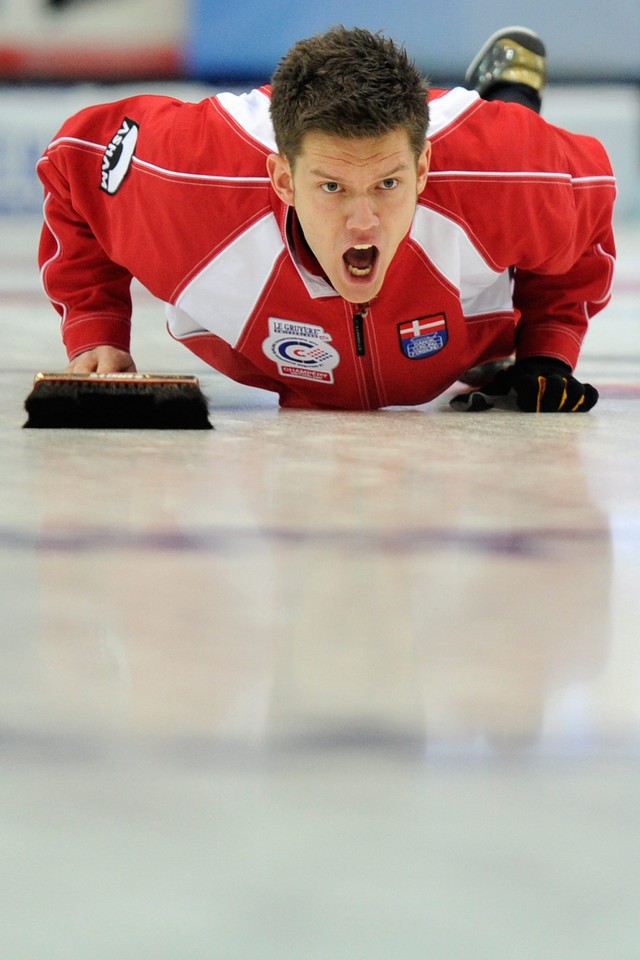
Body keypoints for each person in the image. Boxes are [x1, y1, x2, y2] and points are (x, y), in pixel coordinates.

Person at [36, 26, 616, 412]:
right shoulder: (189, 180)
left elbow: (589, 206)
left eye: (386, 184)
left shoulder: (509, 175)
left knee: (516, 163)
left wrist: (547, 350)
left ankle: (509, 97)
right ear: (282, 179)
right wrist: (96, 334)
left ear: (422, 169)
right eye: (332, 187)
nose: (362, 222)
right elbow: (72, 165)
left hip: (469, 303)